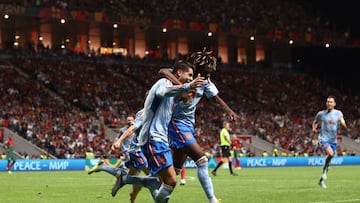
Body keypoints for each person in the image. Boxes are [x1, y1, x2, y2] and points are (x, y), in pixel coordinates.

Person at [112, 60, 205, 203]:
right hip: (153, 138)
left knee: (161, 181)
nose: (191, 78)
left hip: (159, 140)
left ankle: (125, 178)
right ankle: (125, 178)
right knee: (171, 181)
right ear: (179, 73)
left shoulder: (173, 91)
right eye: (189, 75)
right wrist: (187, 86)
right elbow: (164, 91)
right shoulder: (164, 83)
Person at [159, 48, 239, 203]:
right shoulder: (185, 76)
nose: (209, 75)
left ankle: (152, 190)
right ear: (198, 69)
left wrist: (229, 110)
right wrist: (184, 88)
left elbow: (216, 98)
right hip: (176, 124)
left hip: (188, 126)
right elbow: (163, 71)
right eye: (206, 71)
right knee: (201, 160)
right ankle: (212, 200)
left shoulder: (206, 82)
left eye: (210, 72)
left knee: (174, 172)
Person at [88, 109, 151, 203]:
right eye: (128, 120)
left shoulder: (148, 115)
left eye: (131, 120)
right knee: (150, 174)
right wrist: (117, 142)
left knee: (133, 177)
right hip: (133, 151)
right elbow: (119, 138)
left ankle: (106, 170)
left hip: (140, 150)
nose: (129, 121)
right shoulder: (127, 128)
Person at [312, 95, 347, 189]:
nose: (329, 103)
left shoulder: (338, 113)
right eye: (328, 102)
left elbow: (344, 125)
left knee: (329, 158)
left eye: (331, 102)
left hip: (333, 140)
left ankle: (322, 178)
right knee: (331, 154)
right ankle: (325, 169)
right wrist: (314, 128)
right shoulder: (321, 114)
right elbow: (315, 121)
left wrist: (342, 123)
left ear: (334, 104)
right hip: (323, 138)